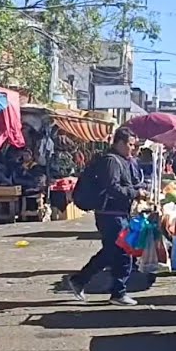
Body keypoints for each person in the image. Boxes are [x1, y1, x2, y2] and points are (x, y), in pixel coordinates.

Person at [65, 127, 147, 306]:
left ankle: (85, 281)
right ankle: (116, 291)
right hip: (110, 215)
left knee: (114, 252)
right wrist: (135, 193)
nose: (133, 149)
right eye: (131, 145)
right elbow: (113, 188)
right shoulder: (111, 161)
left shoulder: (123, 160)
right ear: (120, 143)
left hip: (117, 214)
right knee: (121, 252)